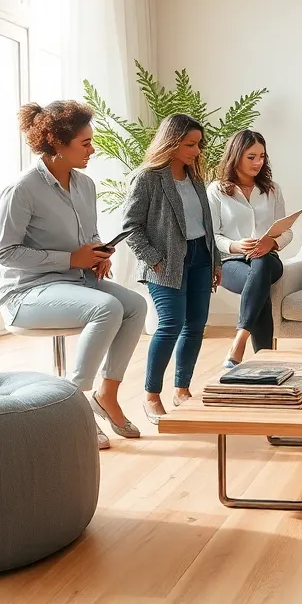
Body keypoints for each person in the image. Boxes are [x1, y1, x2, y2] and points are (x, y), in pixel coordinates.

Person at [0, 100, 149, 449]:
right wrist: (71, 259)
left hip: (77, 282)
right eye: (85, 143)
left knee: (135, 305)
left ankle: (106, 395)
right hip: (27, 293)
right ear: (55, 143)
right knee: (106, 307)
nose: (92, 149)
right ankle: (74, 405)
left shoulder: (85, 185)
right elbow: (6, 253)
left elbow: (88, 236)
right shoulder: (22, 189)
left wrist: (96, 253)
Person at [120, 113, 222, 424]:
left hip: (201, 257)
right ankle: (151, 396)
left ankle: (182, 390)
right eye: (190, 144)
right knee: (170, 324)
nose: (196, 150)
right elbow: (130, 227)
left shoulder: (196, 178)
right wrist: (153, 259)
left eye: (198, 145)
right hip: (166, 263)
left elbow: (206, 226)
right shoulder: (148, 178)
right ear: (172, 142)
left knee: (195, 326)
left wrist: (215, 261)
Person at [208, 130, 292, 368]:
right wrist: (235, 245)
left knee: (262, 264)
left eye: (262, 156)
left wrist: (272, 243)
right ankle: (266, 362)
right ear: (236, 156)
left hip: (269, 259)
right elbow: (211, 235)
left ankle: (239, 341)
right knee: (259, 287)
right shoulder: (216, 190)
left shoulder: (272, 189)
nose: (258, 162)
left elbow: (287, 230)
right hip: (231, 263)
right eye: (251, 157)